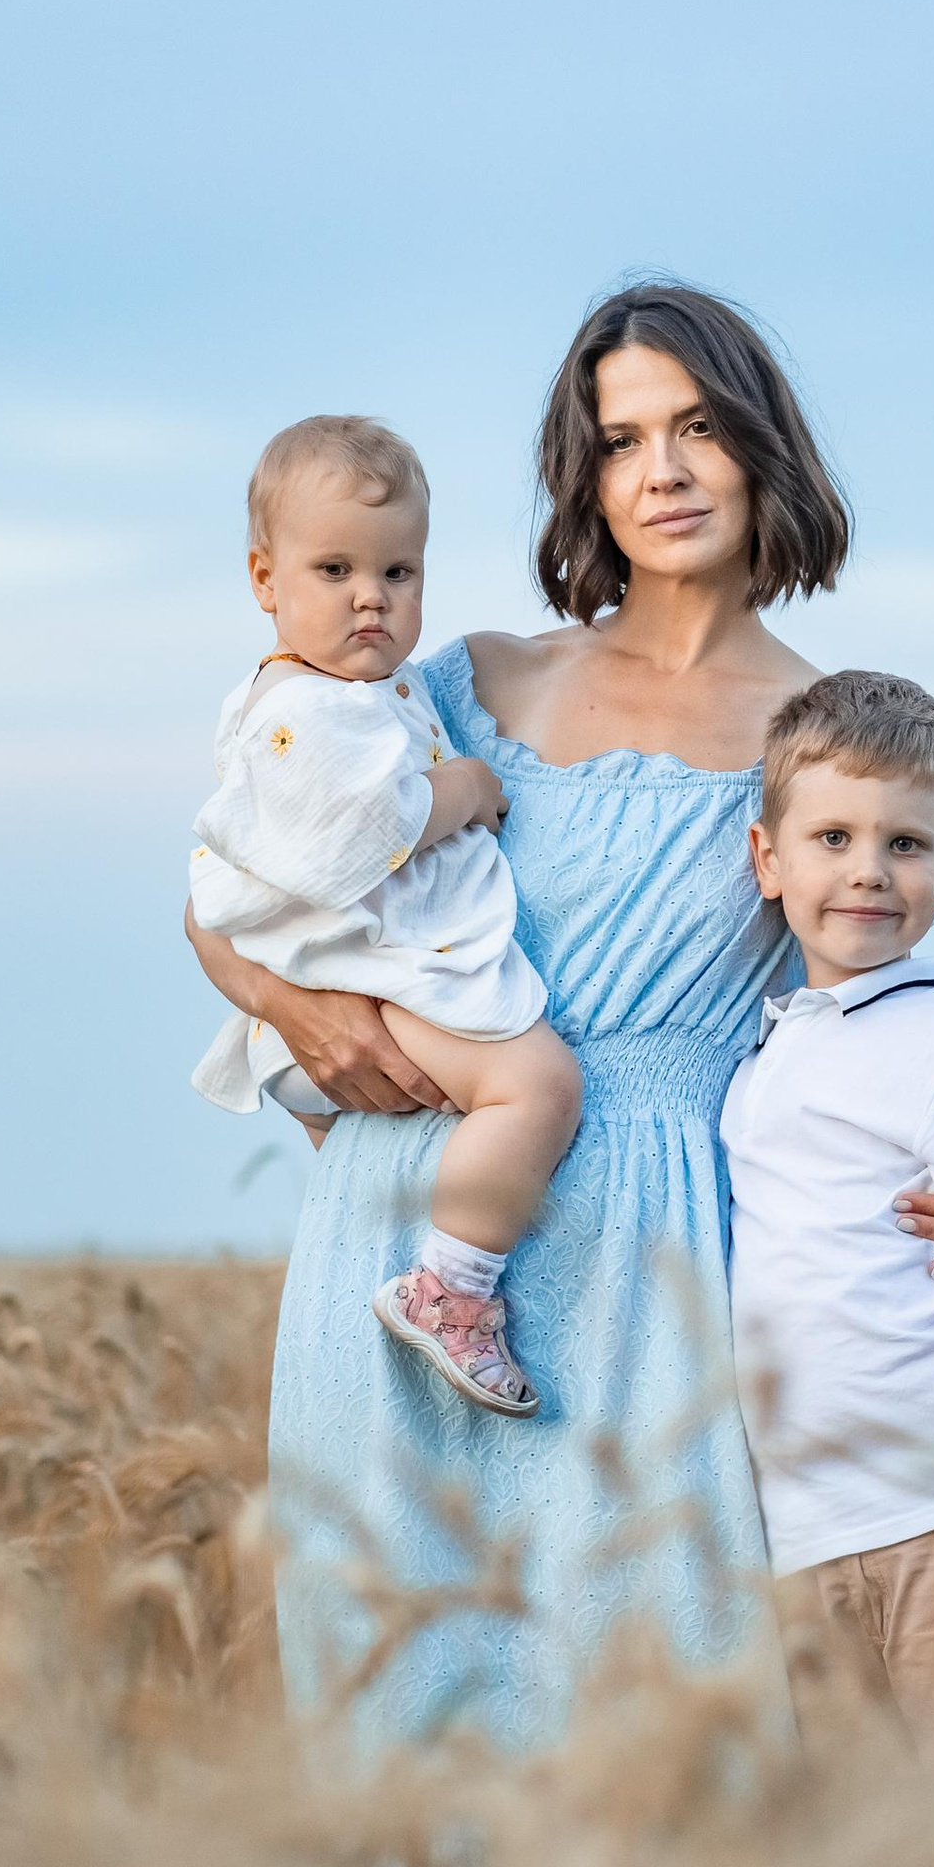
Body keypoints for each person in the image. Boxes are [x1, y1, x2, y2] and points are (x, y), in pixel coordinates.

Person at [184, 284, 934, 1753]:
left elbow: (859, 1013)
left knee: (651, 1742)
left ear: (762, 448)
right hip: (398, 1229)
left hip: (654, 1275)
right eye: (622, 441)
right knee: (393, 1738)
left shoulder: (824, 734)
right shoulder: (467, 682)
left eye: (697, 429)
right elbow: (236, 876)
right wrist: (294, 1006)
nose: (662, 471)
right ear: (584, 475)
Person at [190, 414, 582, 1420]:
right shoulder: (309, 713)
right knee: (535, 1086)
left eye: (398, 573)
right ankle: (450, 1290)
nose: (371, 596)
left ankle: (385, 1220)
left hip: (347, 981)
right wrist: (466, 788)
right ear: (264, 581)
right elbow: (371, 827)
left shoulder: (348, 694)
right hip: (362, 977)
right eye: (334, 570)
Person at [724, 669, 934, 1737]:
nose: (868, 872)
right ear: (766, 860)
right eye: (832, 839)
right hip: (804, 1542)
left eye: (904, 845)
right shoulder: (760, 1057)